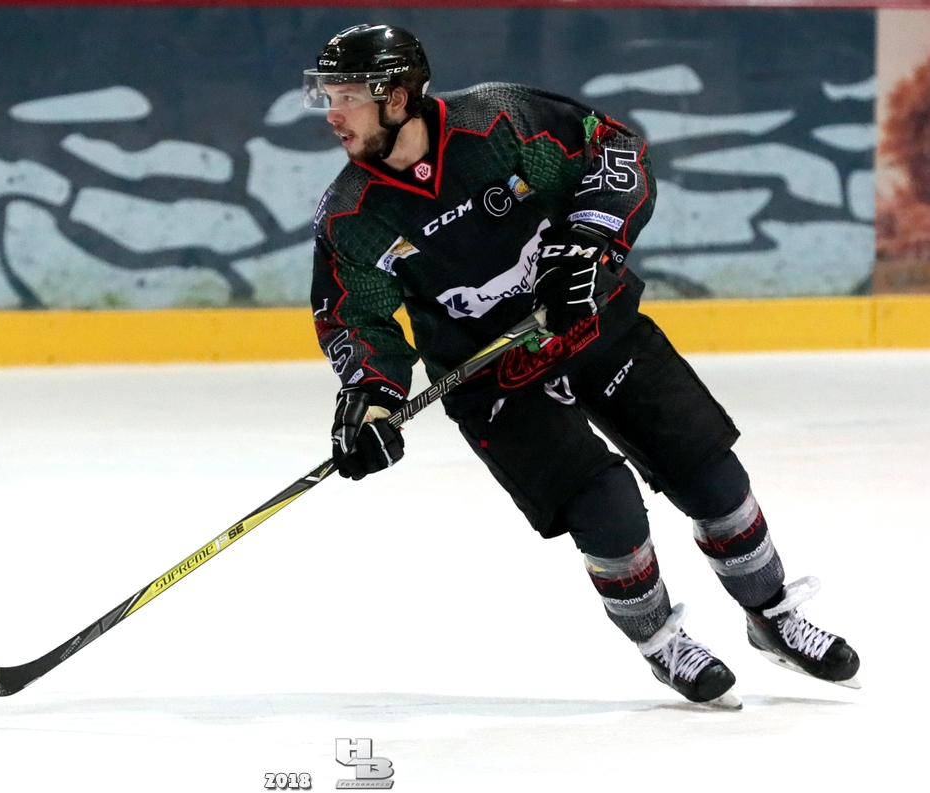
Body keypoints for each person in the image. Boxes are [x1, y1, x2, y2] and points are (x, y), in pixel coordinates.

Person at [304, 23, 860, 708]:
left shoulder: (500, 121)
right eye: (327, 96)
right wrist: (371, 396)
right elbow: (355, 317)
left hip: (597, 327)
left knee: (712, 477)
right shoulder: (352, 215)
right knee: (608, 508)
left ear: (396, 97)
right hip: (494, 379)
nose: (332, 114)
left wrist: (589, 239)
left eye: (347, 96)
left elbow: (616, 152)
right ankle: (660, 642)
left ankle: (771, 615)